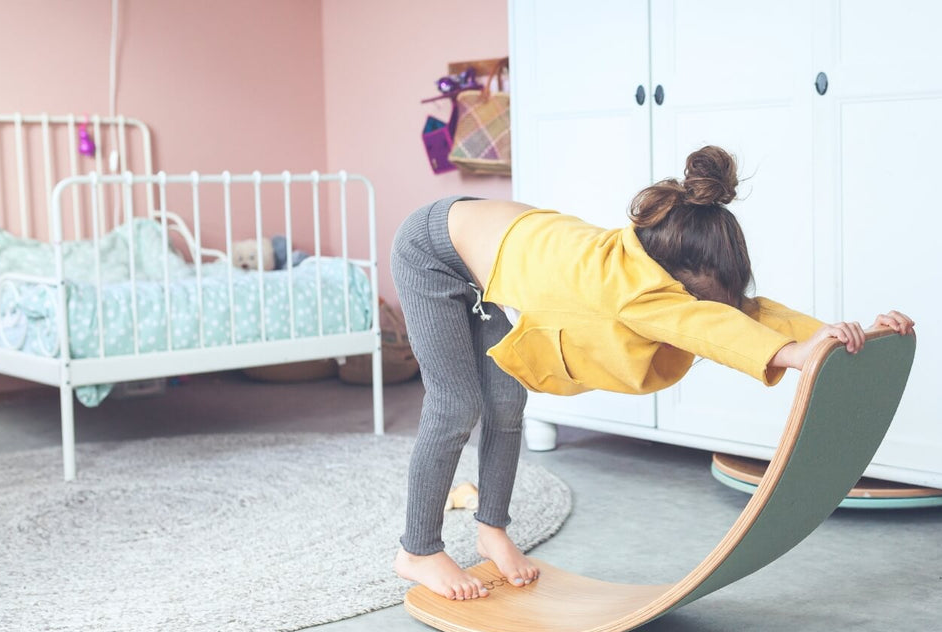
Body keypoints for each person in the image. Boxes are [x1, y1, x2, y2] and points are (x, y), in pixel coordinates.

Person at [389, 145, 914, 600]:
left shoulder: (660, 256)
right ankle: (418, 550)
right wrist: (790, 355)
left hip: (486, 260)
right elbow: (705, 324)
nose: (709, 309)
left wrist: (835, 333)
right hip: (434, 250)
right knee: (457, 405)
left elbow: (742, 312)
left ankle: (491, 530)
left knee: (506, 405)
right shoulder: (624, 287)